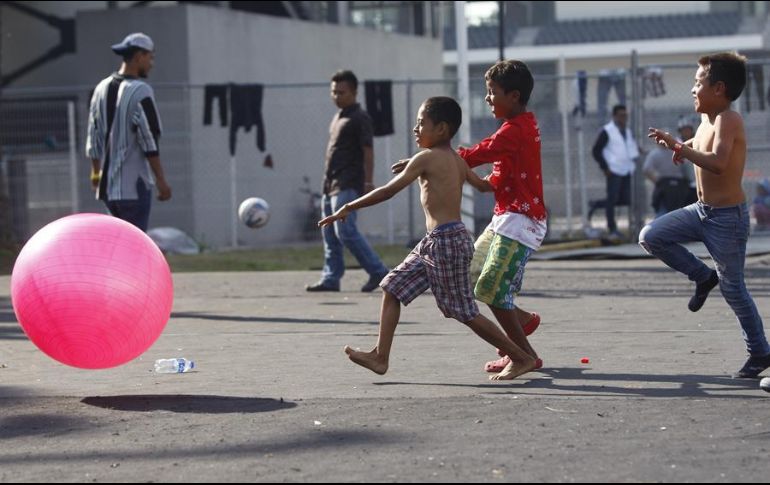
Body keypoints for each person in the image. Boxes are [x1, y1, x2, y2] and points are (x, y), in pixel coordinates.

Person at [320, 96, 538, 380]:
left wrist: (349, 206)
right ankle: (380, 356)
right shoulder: (457, 161)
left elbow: (389, 190)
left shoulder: (426, 158)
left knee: (464, 312)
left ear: (442, 129)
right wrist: (504, 170)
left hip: (445, 242)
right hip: (436, 241)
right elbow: (484, 187)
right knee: (392, 286)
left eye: (422, 122)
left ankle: (522, 357)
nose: (415, 128)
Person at [641, 52, 770, 379]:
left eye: (698, 83)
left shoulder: (730, 119)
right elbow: (699, 143)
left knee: (734, 289)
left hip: (728, 218)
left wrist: (681, 148)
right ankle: (701, 275)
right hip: (701, 211)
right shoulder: (705, 119)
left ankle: (760, 353)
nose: (692, 89)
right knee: (651, 236)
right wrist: (680, 145)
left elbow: (718, 161)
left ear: (719, 89)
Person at [456, 60, 545, 374]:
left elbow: (481, 151)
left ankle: (524, 355)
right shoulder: (514, 130)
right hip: (505, 218)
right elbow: (486, 184)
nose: (487, 98)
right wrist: (455, 168)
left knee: (492, 288)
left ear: (515, 96)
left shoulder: (515, 131)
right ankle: (521, 321)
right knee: (472, 277)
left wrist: (440, 156)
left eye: (492, 92)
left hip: (521, 222)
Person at [306, 70, 389, 293]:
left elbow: (368, 151)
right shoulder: (338, 117)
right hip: (330, 184)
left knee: (346, 232)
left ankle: (379, 272)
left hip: (348, 183)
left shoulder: (360, 118)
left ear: (354, 92)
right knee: (329, 233)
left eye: (341, 92)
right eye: (333, 92)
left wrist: (368, 182)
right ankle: (331, 278)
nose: (336, 96)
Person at [86, 32, 171, 232]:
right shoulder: (140, 90)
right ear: (139, 56)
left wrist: (96, 176)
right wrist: (161, 181)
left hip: (107, 190)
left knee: (116, 247)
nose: (152, 63)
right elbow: (149, 139)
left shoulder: (101, 88)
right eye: (150, 57)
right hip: (134, 188)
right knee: (134, 246)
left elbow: (93, 137)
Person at [591, 104, 640, 239]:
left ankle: (597, 204)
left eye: (625, 115)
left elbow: (628, 147)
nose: (623, 118)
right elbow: (596, 151)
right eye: (620, 115)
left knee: (625, 199)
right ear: (614, 116)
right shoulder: (607, 131)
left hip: (626, 170)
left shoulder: (627, 131)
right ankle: (612, 228)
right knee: (612, 200)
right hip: (613, 171)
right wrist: (605, 167)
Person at [642, 124, 691, 217]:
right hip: (676, 185)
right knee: (680, 212)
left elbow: (646, 169)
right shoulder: (677, 151)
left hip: (667, 184)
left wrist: (657, 181)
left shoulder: (655, 154)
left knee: (663, 213)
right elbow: (687, 166)